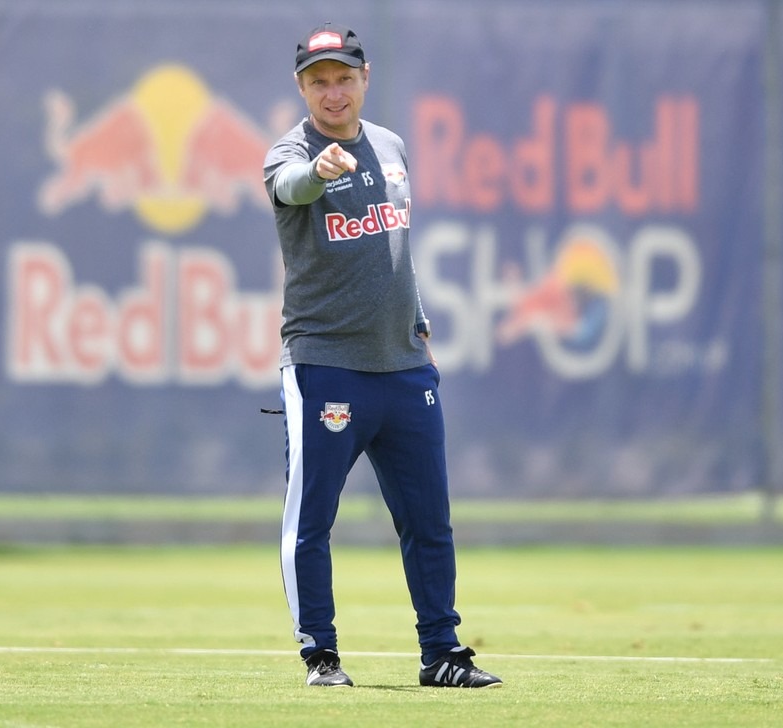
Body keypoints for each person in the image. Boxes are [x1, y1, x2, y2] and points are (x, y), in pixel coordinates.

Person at [263, 22, 502, 689]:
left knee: (429, 521)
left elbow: (395, 250)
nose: (332, 92)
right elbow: (291, 187)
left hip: (404, 369)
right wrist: (318, 168)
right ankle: (322, 656)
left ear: (365, 79)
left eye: (343, 78)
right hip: (326, 367)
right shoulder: (290, 151)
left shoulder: (391, 146)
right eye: (319, 81)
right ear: (301, 87)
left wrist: (420, 323)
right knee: (311, 521)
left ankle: (443, 655)